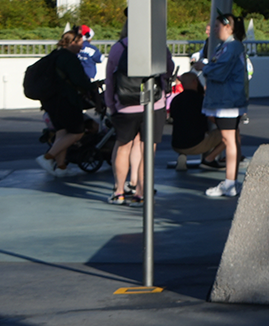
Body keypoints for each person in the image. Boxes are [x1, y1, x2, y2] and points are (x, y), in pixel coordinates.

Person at [104, 22, 174, 206]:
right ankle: (141, 194)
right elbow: (168, 69)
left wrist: (111, 105)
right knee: (147, 150)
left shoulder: (118, 48)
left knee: (123, 147)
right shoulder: (157, 45)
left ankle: (119, 192)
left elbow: (110, 80)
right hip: (153, 104)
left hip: (125, 105)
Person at [32, 30, 96, 178]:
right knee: (77, 132)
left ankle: (61, 167)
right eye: (80, 43)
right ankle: (48, 157)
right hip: (66, 100)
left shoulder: (55, 55)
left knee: (62, 133)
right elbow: (79, 80)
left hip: (50, 100)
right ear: (72, 42)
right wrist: (92, 86)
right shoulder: (69, 58)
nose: (82, 46)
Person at [200, 13, 248, 198]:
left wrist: (203, 67)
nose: (213, 29)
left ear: (228, 27)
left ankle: (229, 183)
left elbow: (220, 71)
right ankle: (230, 182)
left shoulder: (232, 47)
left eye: (217, 26)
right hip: (227, 100)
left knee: (229, 140)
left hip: (228, 101)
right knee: (231, 139)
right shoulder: (228, 46)